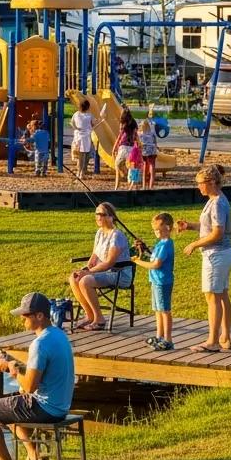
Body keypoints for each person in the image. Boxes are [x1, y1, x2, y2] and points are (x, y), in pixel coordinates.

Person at [0, 292, 75, 460]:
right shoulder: (58, 335)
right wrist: (12, 361)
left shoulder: (39, 344)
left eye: (25, 315)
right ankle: (34, 456)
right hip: (60, 405)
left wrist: (11, 369)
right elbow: (38, 373)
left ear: (39, 316)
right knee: (5, 405)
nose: (22, 319)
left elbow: (29, 387)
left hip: (46, 408)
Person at [176, 164, 231, 352]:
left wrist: (195, 244)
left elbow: (218, 233)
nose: (198, 187)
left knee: (212, 297)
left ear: (210, 182)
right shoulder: (215, 200)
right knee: (221, 295)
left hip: (216, 255)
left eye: (200, 183)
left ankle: (212, 341)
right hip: (223, 253)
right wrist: (190, 226)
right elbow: (209, 227)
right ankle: (224, 337)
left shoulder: (217, 203)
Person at [68, 201, 133, 331]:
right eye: (96, 213)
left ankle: (99, 319)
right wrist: (87, 268)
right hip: (102, 271)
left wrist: (89, 273)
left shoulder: (117, 236)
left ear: (111, 217)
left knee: (86, 281)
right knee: (74, 278)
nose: (98, 217)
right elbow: (94, 255)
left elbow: (109, 262)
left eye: (102, 214)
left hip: (118, 273)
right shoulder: (99, 233)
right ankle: (89, 315)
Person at [132, 212, 175, 350]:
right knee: (157, 309)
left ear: (167, 228)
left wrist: (138, 261)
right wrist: (143, 249)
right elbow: (152, 256)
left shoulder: (166, 245)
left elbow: (156, 264)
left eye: (158, 229)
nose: (156, 232)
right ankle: (159, 336)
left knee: (164, 310)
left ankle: (168, 340)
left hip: (163, 282)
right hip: (155, 281)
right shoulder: (159, 244)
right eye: (154, 230)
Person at [111, 107, 137, 190]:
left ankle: (116, 187)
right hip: (132, 149)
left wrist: (114, 147)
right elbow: (136, 136)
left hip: (123, 148)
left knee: (117, 166)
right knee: (133, 169)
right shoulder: (134, 123)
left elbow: (119, 136)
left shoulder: (122, 124)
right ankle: (132, 186)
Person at [70, 98, 95, 179]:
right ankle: (81, 173)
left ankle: (79, 172)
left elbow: (72, 123)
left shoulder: (76, 114)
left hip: (77, 137)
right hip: (85, 138)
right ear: (87, 107)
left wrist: (77, 128)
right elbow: (93, 125)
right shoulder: (89, 115)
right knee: (84, 156)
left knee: (80, 156)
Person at [139, 118, 158, 190]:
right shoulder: (152, 132)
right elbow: (155, 142)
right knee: (152, 168)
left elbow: (138, 144)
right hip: (152, 151)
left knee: (144, 168)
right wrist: (155, 149)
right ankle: (151, 186)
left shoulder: (140, 134)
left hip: (144, 152)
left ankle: (144, 186)